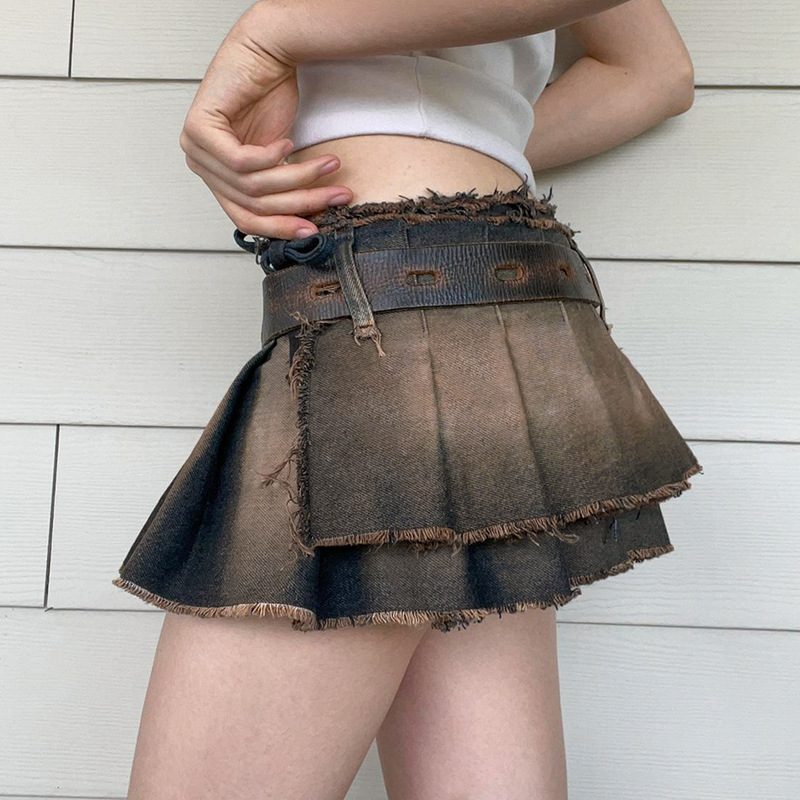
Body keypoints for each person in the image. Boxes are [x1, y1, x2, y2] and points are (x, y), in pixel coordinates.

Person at [113, 0, 700, 797]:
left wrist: (269, 34)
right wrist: (464, 139)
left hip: (393, 312)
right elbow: (653, 71)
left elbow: (656, 75)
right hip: (486, 298)